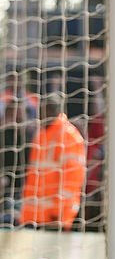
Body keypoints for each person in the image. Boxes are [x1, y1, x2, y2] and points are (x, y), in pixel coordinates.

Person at [18, 93, 87, 230]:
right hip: (33, 216)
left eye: (44, 110)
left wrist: (60, 213)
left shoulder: (69, 136)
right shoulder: (41, 135)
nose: (40, 114)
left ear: (52, 111)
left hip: (54, 218)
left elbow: (72, 179)